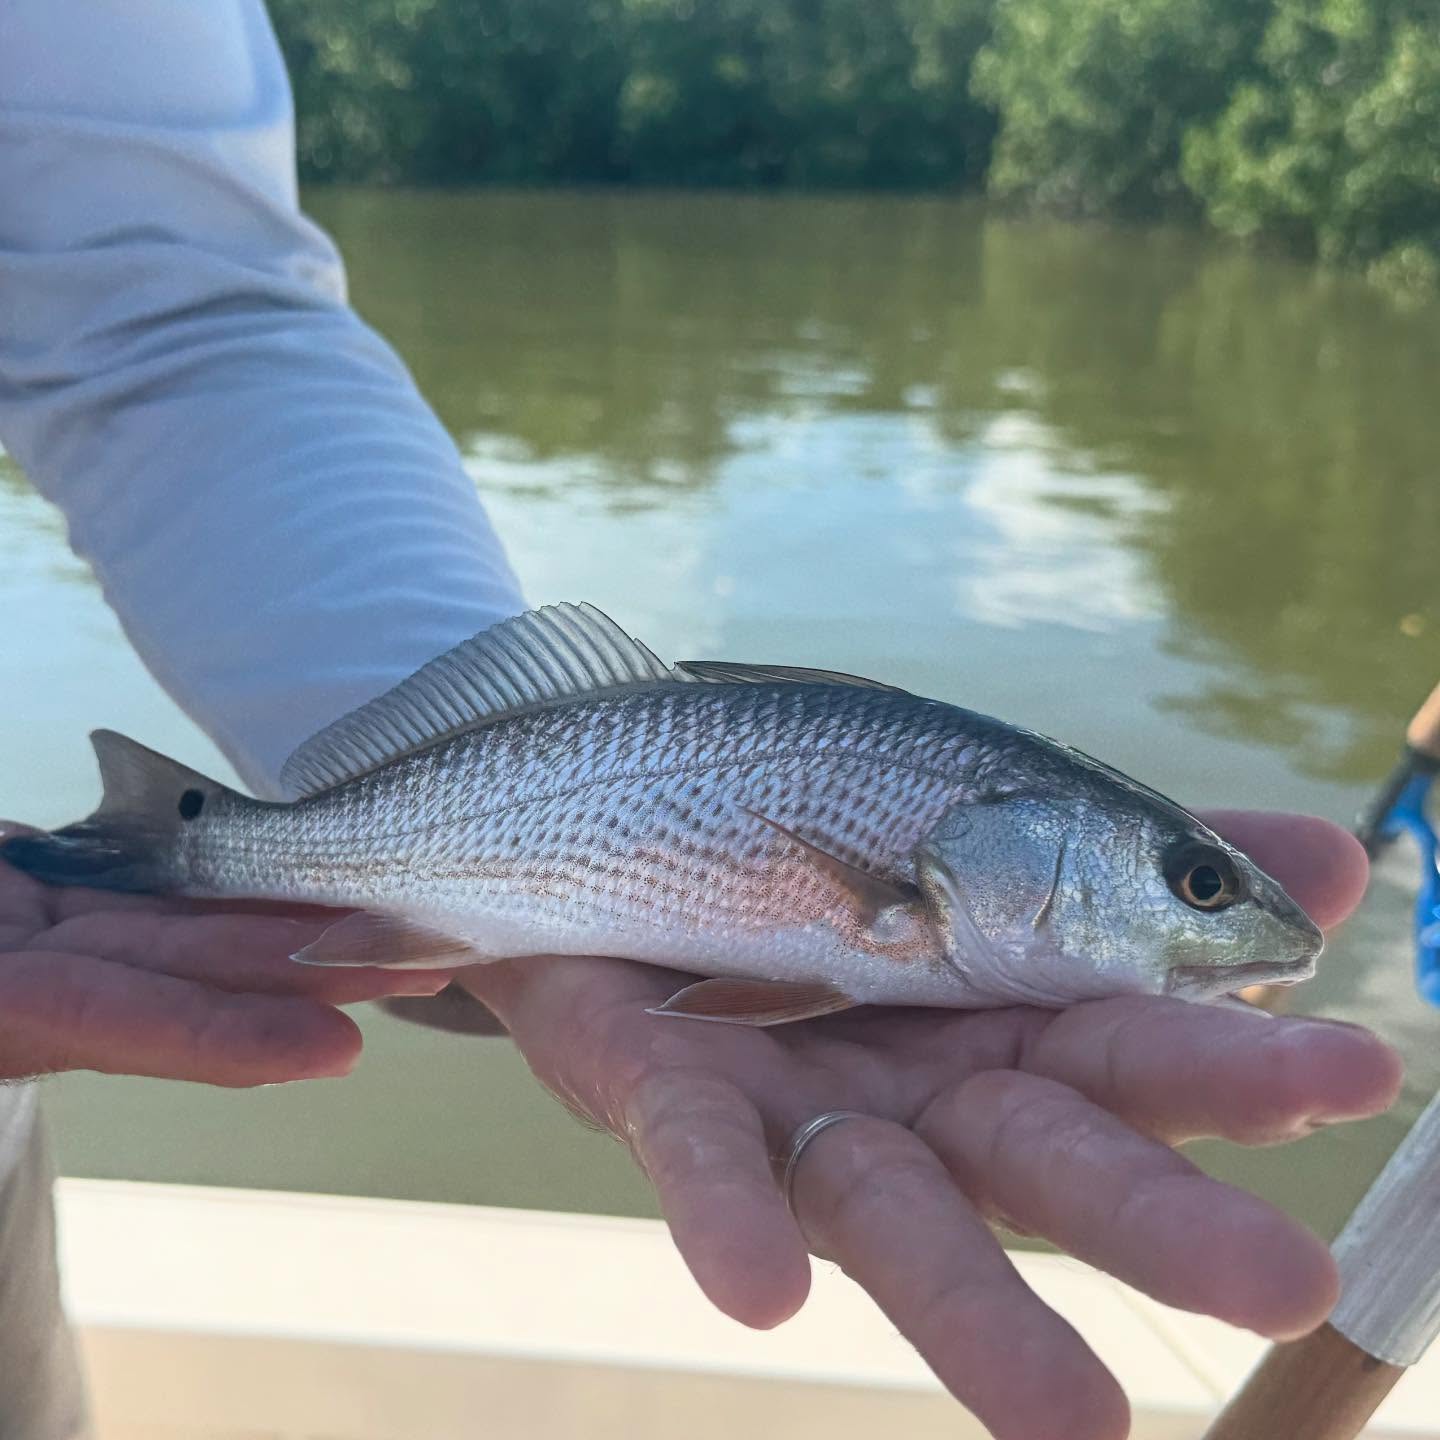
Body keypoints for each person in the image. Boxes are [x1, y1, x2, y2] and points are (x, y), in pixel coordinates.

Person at [0, 5, 1404, 1439]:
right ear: (1016, 849)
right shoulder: (918, 893)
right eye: (1194, 883)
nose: (1214, 916)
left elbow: (168, 313)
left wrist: (443, 881)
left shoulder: (931, 902)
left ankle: (199, 843)